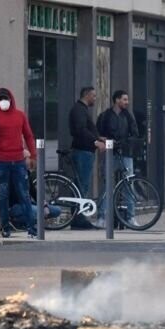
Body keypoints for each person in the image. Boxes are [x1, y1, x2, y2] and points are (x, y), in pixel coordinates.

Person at [0, 88, 37, 238]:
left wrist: (33, 155)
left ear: (11, 99)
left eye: (5, 98)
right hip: (1, 161)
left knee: (24, 194)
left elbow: (28, 135)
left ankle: (31, 228)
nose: (3, 102)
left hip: (18, 161)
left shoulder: (20, 115)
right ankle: (5, 227)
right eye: (0, 99)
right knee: (3, 195)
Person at [96, 90, 139, 228]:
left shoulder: (128, 116)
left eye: (127, 99)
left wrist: (123, 143)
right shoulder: (105, 116)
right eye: (124, 99)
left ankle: (131, 217)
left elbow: (135, 134)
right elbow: (98, 133)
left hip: (125, 153)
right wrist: (105, 140)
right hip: (110, 153)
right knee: (107, 185)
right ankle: (102, 217)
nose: (127, 102)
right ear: (117, 100)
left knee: (128, 184)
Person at [68, 86, 105, 230]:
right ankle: (78, 218)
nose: (95, 99)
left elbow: (85, 129)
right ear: (87, 95)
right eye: (94, 96)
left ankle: (79, 216)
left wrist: (99, 137)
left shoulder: (82, 110)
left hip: (86, 151)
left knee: (83, 185)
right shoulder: (79, 110)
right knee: (82, 185)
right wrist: (94, 141)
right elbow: (80, 130)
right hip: (83, 151)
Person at [8, 151, 61, 231]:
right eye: (28, 159)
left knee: (56, 210)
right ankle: (18, 222)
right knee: (37, 211)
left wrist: (44, 205)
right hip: (16, 206)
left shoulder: (27, 173)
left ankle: (30, 220)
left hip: (28, 204)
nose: (30, 161)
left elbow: (34, 192)